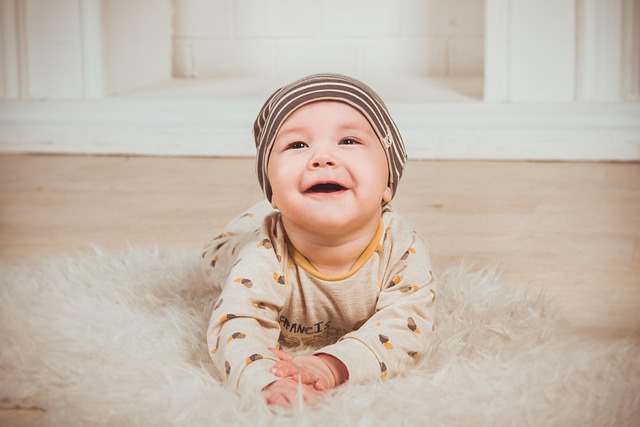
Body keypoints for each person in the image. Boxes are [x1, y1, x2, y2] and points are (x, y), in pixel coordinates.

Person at [202, 73, 436, 407]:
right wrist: (265, 380)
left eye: (349, 141)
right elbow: (238, 323)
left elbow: (406, 328)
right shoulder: (263, 252)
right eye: (297, 145)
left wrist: (331, 364)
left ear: (389, 182)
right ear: (272, 191)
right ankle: (256, 215)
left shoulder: (404, 248)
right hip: (235, 247)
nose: (322, 158)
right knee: (222, 256)